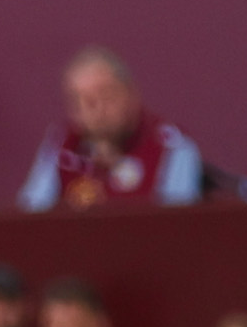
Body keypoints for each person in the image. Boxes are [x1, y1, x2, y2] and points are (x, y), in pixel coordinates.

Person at [19, 48, 200, 210]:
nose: (96, 110)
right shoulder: (61, 144)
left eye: (106, 96)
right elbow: (32, 214)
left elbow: (177, 224)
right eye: (82, 102)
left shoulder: (170, 145)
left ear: (132, 94)